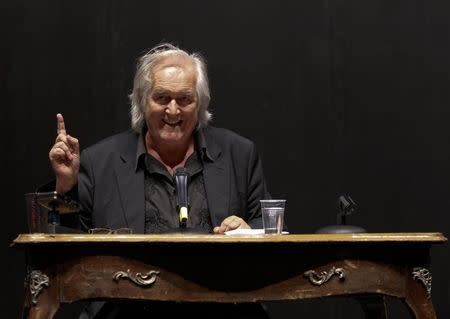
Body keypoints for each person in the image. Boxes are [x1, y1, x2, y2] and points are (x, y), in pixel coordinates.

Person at [48, 43, 271, 318]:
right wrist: (66, 187)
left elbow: (271, 229)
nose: (174, 111)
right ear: (142, 101)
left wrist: (248, 232)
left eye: (185, 99)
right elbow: (65, 255)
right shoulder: (99, 162)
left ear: (199, 103)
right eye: (162, 98)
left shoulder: (240, 154)